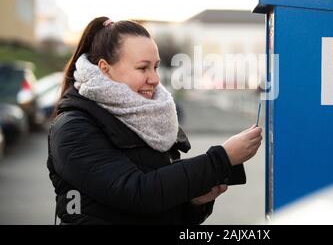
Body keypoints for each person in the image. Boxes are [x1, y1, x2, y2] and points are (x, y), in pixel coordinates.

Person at [47, 17, 262, 225]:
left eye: (155, 67)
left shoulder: (147, 116)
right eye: (143, 68)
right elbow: (137, 193)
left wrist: (192, 202)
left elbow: (157, 201)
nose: (155, 79)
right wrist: (221, 159)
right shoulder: (73, 128)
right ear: (105, 68)